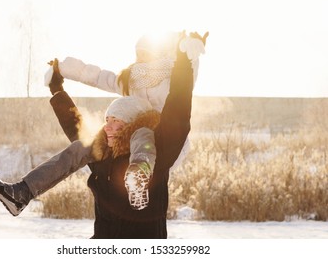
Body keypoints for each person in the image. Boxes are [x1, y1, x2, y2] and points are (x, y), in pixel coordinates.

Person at [0, 36, 196, 238]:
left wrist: (184, 63)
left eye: (117, 121)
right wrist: (57, 89)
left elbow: (178, 108)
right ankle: (22, 193)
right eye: (108, 120)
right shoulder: (102, 156)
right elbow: (75, 126)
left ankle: (138, 176)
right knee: (82, 145)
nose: (109, 127)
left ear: (129, 125)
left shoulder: (159, 154)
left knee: (144, 136)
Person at [44, 30, 208, 208]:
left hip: (164, 136)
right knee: (123, 141)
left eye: (146, 53)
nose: (141, 57)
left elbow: (184, 84)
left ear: (158, 54)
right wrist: (63, 68)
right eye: (138, 53)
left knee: (145, 137)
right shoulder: (130, 79)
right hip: (133, 138)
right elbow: (99, 77)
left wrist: (189, 54)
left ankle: (140, 176)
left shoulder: (171, 76)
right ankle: (132, 183)